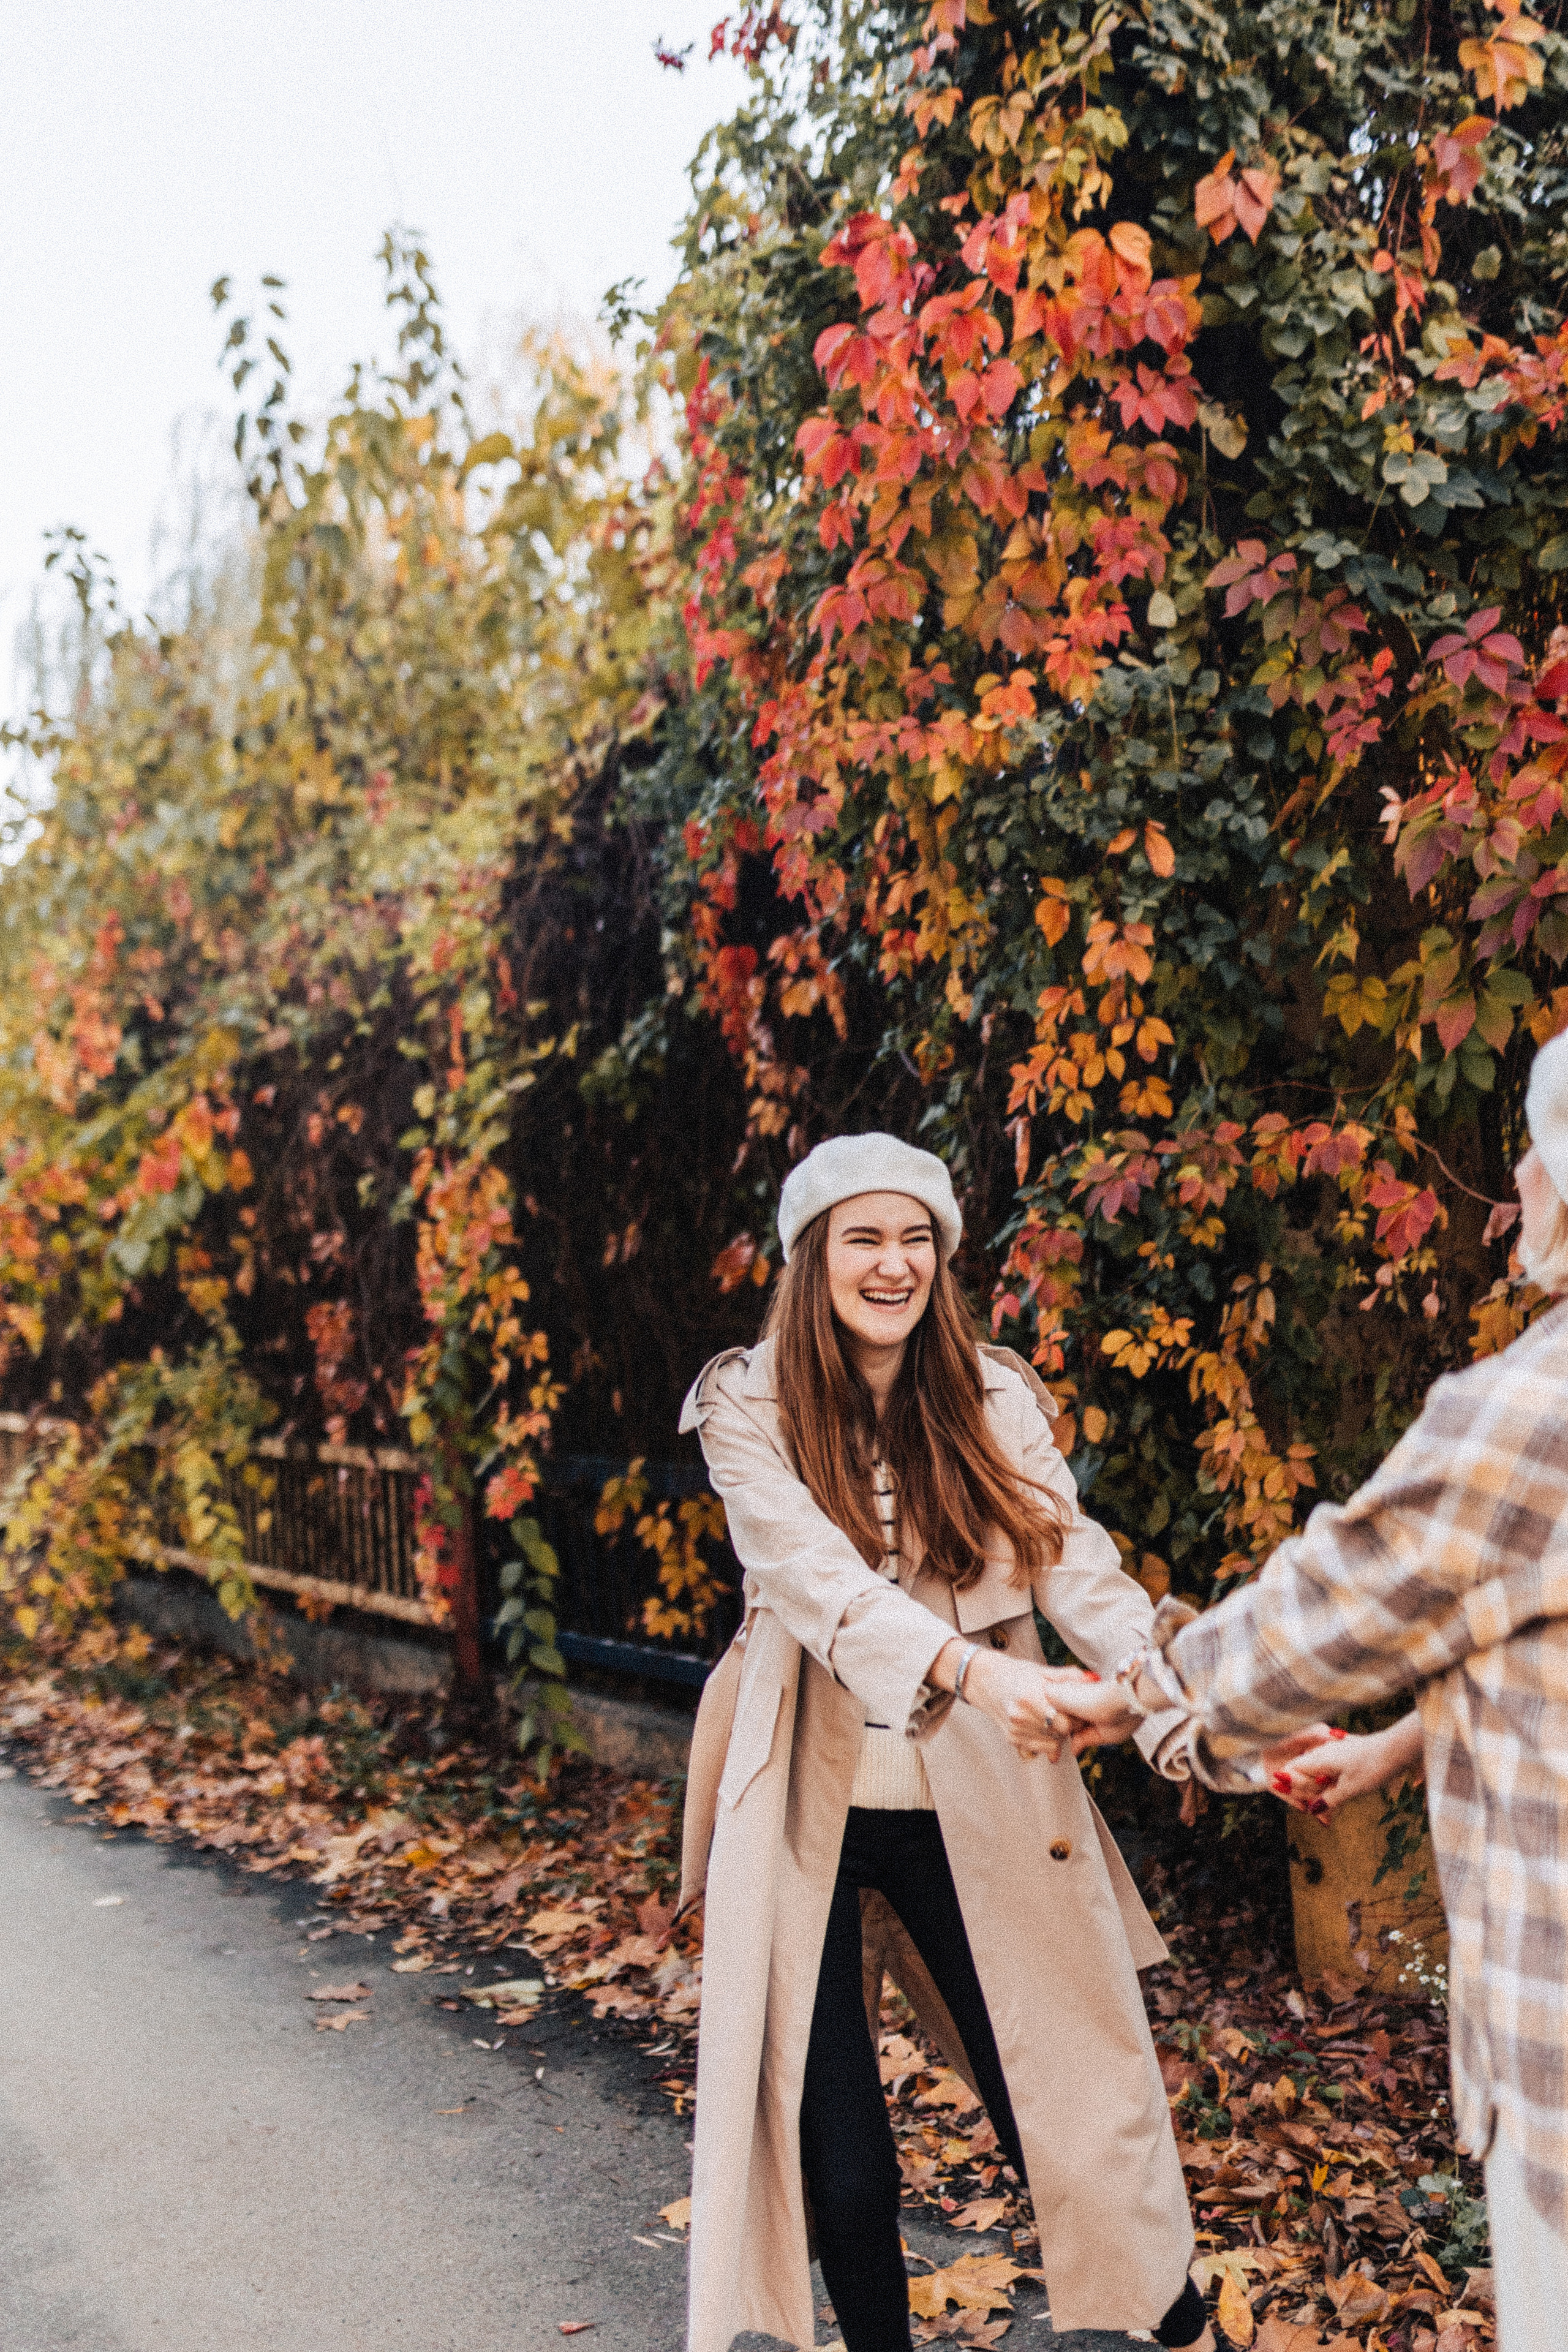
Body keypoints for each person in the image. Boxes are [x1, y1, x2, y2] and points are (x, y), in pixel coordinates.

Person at [1043, 1033, 1568, 2352]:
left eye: (1536, 1147)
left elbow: (1328, 1611)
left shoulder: (1536, 1407)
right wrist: (1396, 1748)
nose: (1517, 1175)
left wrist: (1139, 1699)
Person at [676, 1132, 1212, 2352]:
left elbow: (1077, 1565)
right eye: (863, 1238)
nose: (894, 1263)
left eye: (916, 1238)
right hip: (803, 1807)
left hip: (974, 1799)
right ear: (812, 1259)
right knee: (845, 2167)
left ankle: (1179, 2332)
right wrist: (977, 1669)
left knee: (1067, 2111)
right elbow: (815, 1581)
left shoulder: (992, 1397)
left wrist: (1178, 1692)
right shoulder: (746, 1403)